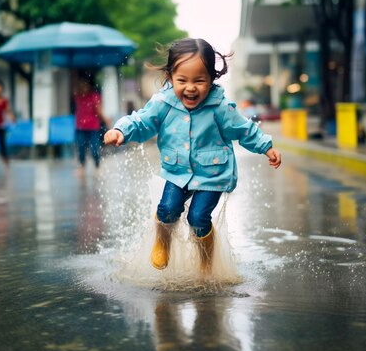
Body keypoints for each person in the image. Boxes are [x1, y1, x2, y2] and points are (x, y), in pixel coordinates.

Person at [104, 38, 281, 272]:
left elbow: (243, 128)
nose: (190, 87)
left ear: (211, 79)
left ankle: (206, 262)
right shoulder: (163, 103)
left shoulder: (219, 107)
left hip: (212, 175)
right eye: (182, 80)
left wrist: (265, 146)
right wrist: (120, 130)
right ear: (169, 77)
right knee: (167, 209)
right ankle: (162, 241)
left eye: (199, 80)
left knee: (198, 218)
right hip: (178, 172)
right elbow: (141, 121)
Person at [73, 73, 111, 172]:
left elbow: (99, 111)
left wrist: (106, 120)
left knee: (94, 148)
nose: (82, 87)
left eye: (84, 84)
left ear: (89, 85)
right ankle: (82, 166)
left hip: (93, 126)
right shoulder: (78, 95)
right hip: (80, 126)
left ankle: (97, 165)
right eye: (81, 85)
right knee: (81, 147)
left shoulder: (94, 96)